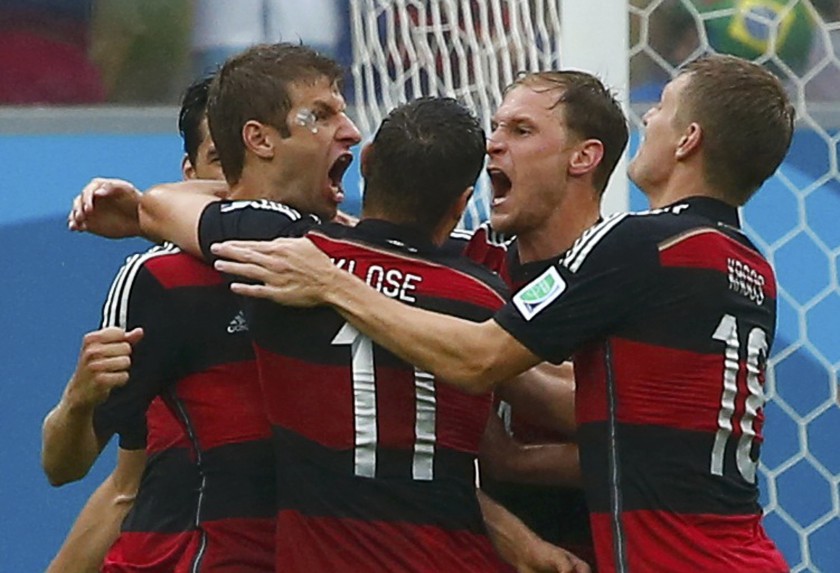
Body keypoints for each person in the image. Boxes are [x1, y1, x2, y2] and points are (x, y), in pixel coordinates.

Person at [211, 54, 794, 572]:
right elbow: (642, 420)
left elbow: (481, 358)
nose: (648, 120)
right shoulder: (751, 268)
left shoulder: (635, 245)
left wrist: (335, 283)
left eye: (661, 108)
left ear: (688, 140)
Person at [67, 54, 590, 573]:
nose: (349, 131)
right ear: (461, 201)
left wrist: (335, 283)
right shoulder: (479, 283)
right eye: (321, 115)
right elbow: (104, 475)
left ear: (367, 169)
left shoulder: (285, 253)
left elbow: (160, 203)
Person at [41, 69, 279, 571]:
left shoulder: (341, 263)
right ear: (187, 178)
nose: (241, 180)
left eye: (253, 154)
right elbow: (114, 481)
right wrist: (77, 398)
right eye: (222, 161)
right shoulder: (164, 284)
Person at [465, 69, 628, 565]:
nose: (493, 144)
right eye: (495, 127)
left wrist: (513, 458)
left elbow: (642, 438)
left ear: (583, 157)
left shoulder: (631, 276)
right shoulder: (470, 265)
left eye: (520, 130)